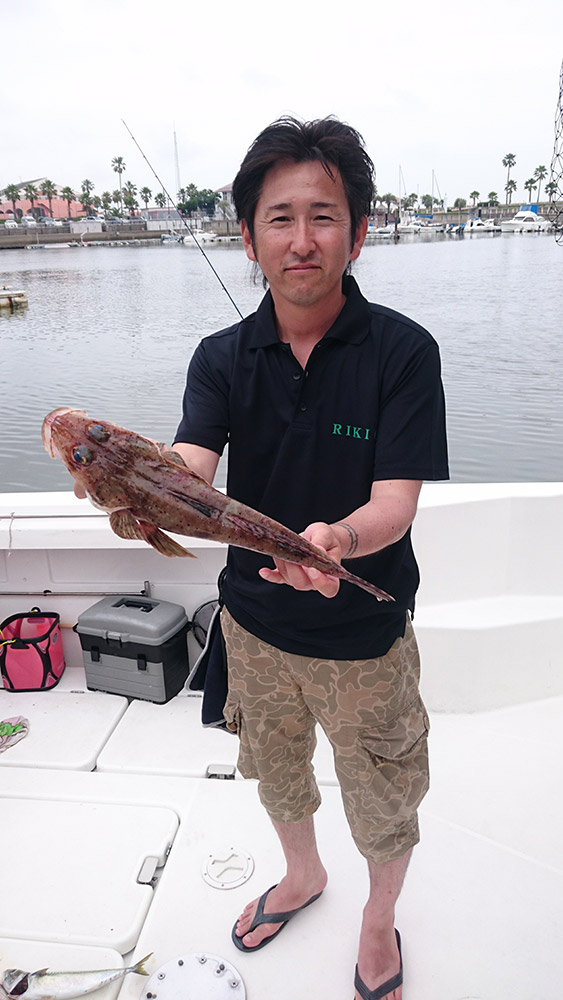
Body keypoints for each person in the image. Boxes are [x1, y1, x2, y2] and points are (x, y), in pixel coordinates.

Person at [172, 116, 448, 1000]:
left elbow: (394, 505)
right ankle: (303, 874)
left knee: (383, 793)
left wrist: (336, 542)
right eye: (279, 218)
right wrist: (138, 483)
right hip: (254, 626)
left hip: (362, 632)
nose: (301, 240)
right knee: (277, 772)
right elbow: (189, 471)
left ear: (356, 234)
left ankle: (377, 916)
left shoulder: (402, 352)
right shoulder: (220, 358)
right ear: (247, 238)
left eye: (322, 217)